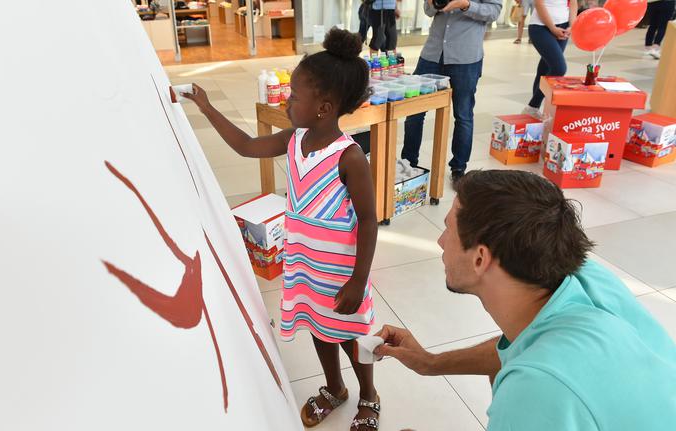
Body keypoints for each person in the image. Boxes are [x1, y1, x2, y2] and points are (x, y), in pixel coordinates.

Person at [184, 29, 382, 431]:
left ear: (324, 108)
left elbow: (367, 220)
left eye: (295, 95)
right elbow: (244, 144)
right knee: (318, 327)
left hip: (340, 272)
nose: (288, 101)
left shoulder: (350, 157)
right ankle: (334, 388)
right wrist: (206, 107)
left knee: (351, 335)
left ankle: (369, 394)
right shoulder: (294, 139)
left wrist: (358, 280)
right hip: (306, 264)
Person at [373, 170, 676, 430]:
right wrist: (431, 363)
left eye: (448, 228)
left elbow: (540, 376)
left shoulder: (536, 390)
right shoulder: (583, 278)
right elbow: (520, 349)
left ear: (480, 258)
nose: (440, 241)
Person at [401, 0, 502, 183]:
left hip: (466, 57)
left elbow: (494, 12)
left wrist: (464, 4)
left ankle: (458, 168)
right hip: (432, 53)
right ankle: (408, 163)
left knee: (463, 115)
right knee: (414, 111)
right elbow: (428, 9)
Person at [522, 0, 577, 118]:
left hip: (563, 25)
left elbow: (573, 3)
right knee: (559, 68)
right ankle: (532, 106)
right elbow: (539, 4)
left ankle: (534, 110)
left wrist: (572, 25)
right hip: (541, 27)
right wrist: (552, 28)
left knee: (545, 68)